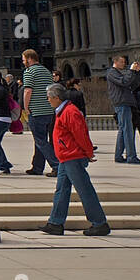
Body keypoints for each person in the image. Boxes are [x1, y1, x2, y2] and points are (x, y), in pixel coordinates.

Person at [39, 83, 110, 237]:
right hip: (67, 156)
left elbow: (81, 134)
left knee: (84, 190)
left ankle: (99, 223)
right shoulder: (65, 110)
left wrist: (88, 152)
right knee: (62, 190)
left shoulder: (69, 112)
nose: (48, 100)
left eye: (49, 98)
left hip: (72, 156)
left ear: (57, 98)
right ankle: (55, 223)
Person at [21, 48, 59, 175]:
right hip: (49, 110)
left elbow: (27, 91)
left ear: (29, 59)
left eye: (23, 60)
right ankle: (37, 167)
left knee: (40, 141)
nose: (23, 62)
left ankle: (57, 165)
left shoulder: (29, 72)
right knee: (41, 139)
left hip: (36, 111)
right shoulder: (46, 71)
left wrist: (26, 108)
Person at [105, 54, 140, 165]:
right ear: (115, 62)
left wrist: (136, 72)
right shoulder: (112, 72)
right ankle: (131, 156)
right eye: (122, 62)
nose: (124, 64)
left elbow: (133, 84)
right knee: (127, 130)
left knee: (123, 129)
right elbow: (124, 82)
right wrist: (131, 71)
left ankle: (119, 155)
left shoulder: (120, 72)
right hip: (121, 102)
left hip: (126, 102)